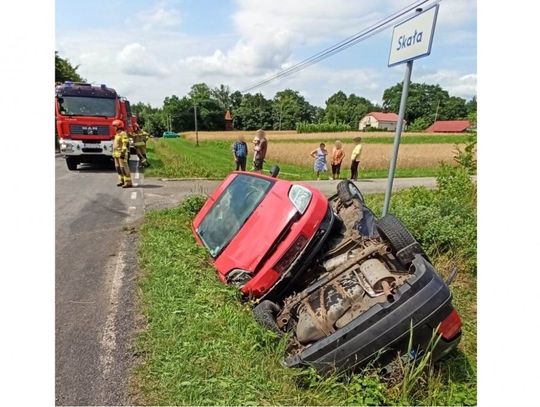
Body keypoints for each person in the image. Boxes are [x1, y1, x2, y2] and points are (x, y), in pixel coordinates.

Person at [112, 119, 132, 188]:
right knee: (118, 168)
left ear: (118, 126)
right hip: (116, 154)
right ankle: (121, 180)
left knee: (123, 168)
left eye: (114, 126)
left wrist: (123, 151)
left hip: (121, 153)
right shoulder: (117, 134)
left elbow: (125, 142)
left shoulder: (123, 133)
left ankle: (128, 182)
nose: (113, 128)